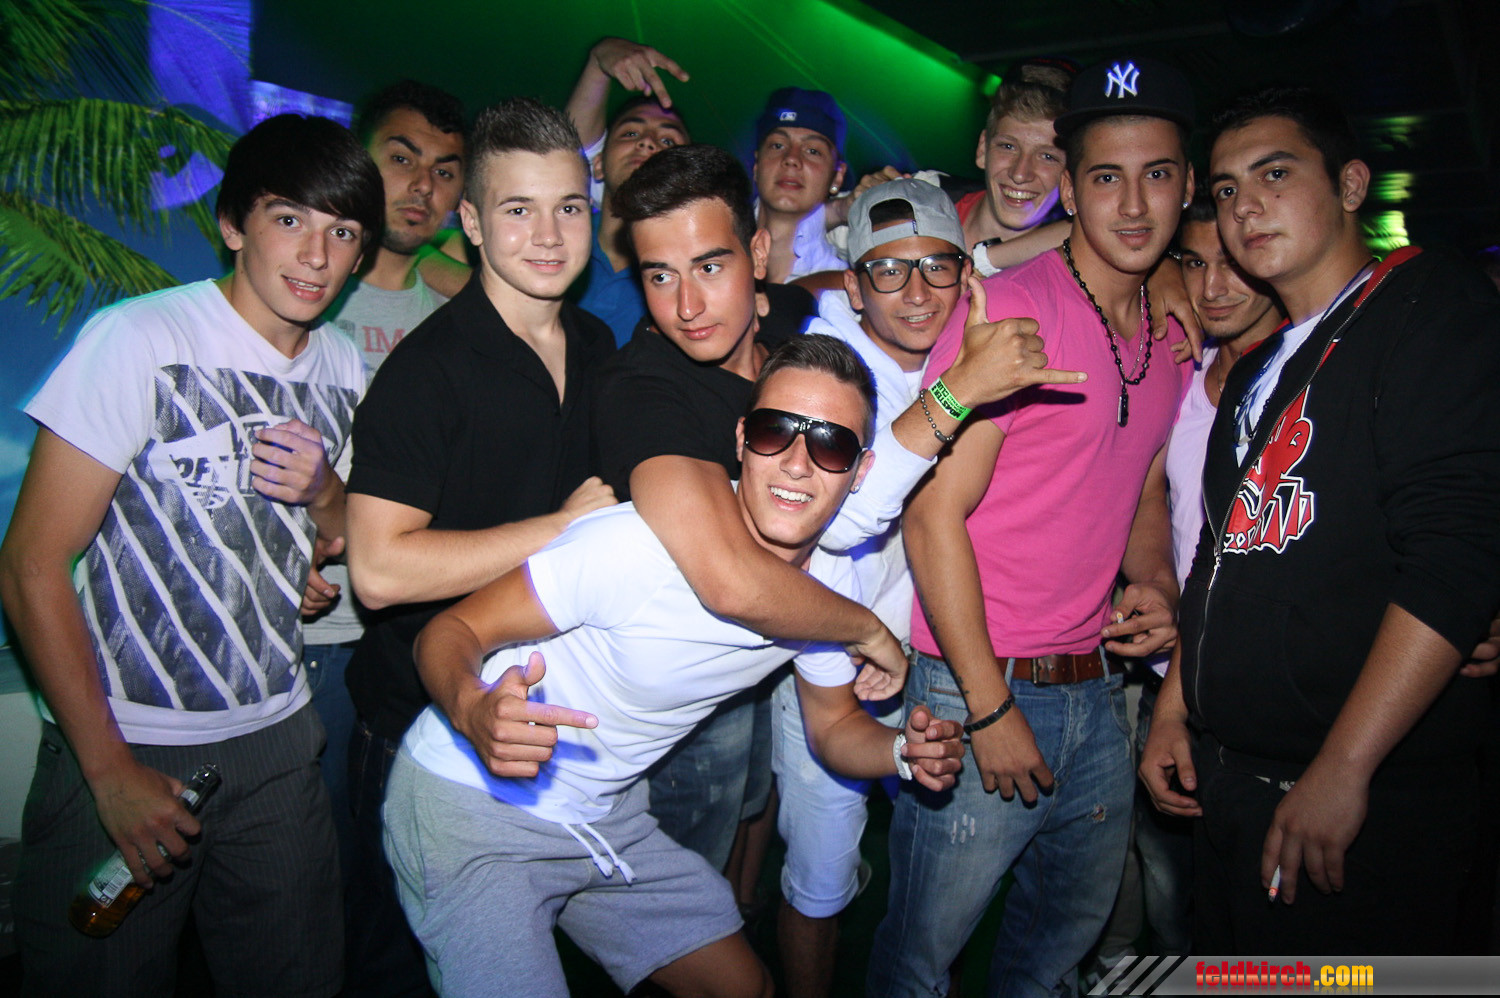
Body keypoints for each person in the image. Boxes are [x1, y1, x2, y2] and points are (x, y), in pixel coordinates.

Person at [384, 336, 966, 998]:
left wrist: (901, 751)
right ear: (742, 439)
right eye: (775, 431)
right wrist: (471, 707)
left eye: (830, 445)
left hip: (603, 814)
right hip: (471, 803)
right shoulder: (636, 546)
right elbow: (450, 630)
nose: (797, 463)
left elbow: (833, 727)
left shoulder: (829, 587)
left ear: (859, 471)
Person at [593, 143, 1083, 876]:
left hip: (771, 659)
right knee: (687, 887)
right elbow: (736, 578)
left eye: (711, 268)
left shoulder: (794, 320)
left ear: (758, 255)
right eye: (660, 276)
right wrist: (868, 630)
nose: (687, 306)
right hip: (658, 703)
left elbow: (855, 281)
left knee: (750, 853)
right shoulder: (643, 390)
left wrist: (1156, 265)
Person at [0, 113, 383, 997]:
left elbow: (335, 529)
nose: (316, 255)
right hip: (129, 737)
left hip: (279, 737)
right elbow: (29, 565)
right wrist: (107, 770)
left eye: (342, 233)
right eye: (289, 219)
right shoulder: (140, 338)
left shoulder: (341, 365)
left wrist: (315, 522)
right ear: (233, 224)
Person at [1140, 84, 1500, 954]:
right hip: (1233, 781)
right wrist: (1173, 711)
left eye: (1275, 174)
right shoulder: (1257, 369)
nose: (1244, 207)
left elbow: (1454, 555)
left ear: (1350, 184)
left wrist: (1345, 767)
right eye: (1227, 189)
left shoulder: (1428, 306)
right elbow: (1219, 559)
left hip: (1365, 794)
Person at [870, 57, 1198, 996]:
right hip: (982, 679)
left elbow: (1140, 485)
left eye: (1156, 174)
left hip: (1098, 688)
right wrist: (987, 707)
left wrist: (1155, 581)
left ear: (1186, 184)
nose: (1131, 204)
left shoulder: (1170, 332)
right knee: (920, 961)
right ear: (1071, 190)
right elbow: (931, 514)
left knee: (1054, 954)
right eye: (1105, 177)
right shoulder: (1009, 311)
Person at [341, 96, 616, 996]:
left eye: (568, 207)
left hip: (544, 712)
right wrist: (562, 528)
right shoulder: (428, 371)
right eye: (517, 209)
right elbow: (378, 569)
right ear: (470, 222)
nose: (548, 235)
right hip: (416, 724)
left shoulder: (597, 342)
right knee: (396, 968)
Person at [773, 179, 974, 998]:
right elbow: (841, 519)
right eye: (888, 271)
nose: (917, 292)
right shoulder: (828, 365)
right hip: (830, 660)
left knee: (941, 867)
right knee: (821, 876)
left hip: (930, 655)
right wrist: (961, 392)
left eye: (936, 267)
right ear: (854, 287)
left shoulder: (964, 345)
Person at [1095, 194, 1285, 969]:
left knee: (1250, 906)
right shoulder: (1183, 367)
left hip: (1267, 690)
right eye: (1196, 263)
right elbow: (1151, 496)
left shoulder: (1313, 379)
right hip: (1169, 673)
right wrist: (1160, 588)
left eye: (1232, 263)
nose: (1213, 286)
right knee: (1164, 872)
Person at [301, 78, 466, 884]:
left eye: (444, 170)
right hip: (304, 627)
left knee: (388, 866)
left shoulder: (458, 318)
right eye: (401, 159)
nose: (422, 185)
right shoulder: (303, 292)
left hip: (407, 637)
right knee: (302, 867)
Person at [563, 36, 693, 345]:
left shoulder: (692, 275)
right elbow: (562, 155)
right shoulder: (557, 238)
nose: (647, 142)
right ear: (597, 165)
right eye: (631, 133)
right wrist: (598, 62)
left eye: (667, 141)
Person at [753, 87, 849, 283]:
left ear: (837, 176)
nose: (791, 158)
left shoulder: (845, 289)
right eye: (778, 145)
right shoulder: (712, 246)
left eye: (812, 151)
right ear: (757, 165)